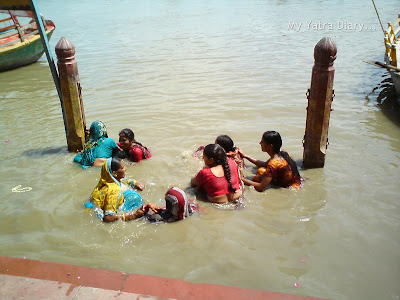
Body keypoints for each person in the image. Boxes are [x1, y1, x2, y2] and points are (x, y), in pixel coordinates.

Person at [88, 157, 160, 222]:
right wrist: (134, 215)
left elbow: (121, 180)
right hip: (104, 213)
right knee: (135, 198)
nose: (125, 169)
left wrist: (133, 182)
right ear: (115, 173)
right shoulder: (114, 190)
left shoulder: (105, 180)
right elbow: (108, 217)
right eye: (122, 168)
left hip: (95, 205)